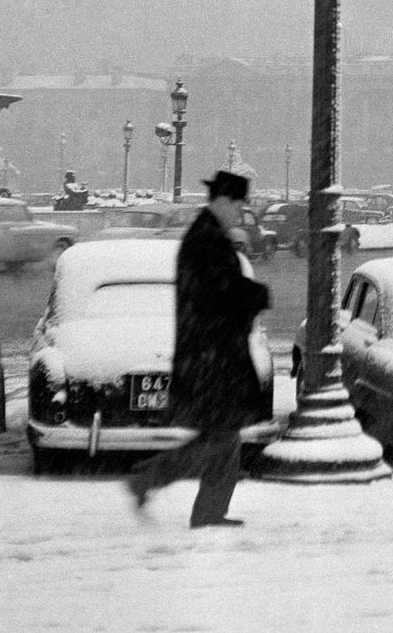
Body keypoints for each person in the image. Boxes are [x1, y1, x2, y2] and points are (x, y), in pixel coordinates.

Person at [126, 167, 270, 528]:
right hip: (213, 359)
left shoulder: (208, 235)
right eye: (238, 203)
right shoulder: (207, 240)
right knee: (220, 441)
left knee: (225, 438)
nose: (241, 210)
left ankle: (208, 512)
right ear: (223, 200)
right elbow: (221, 295)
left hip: (211, 354)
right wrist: (257, 294)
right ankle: (149, 479)